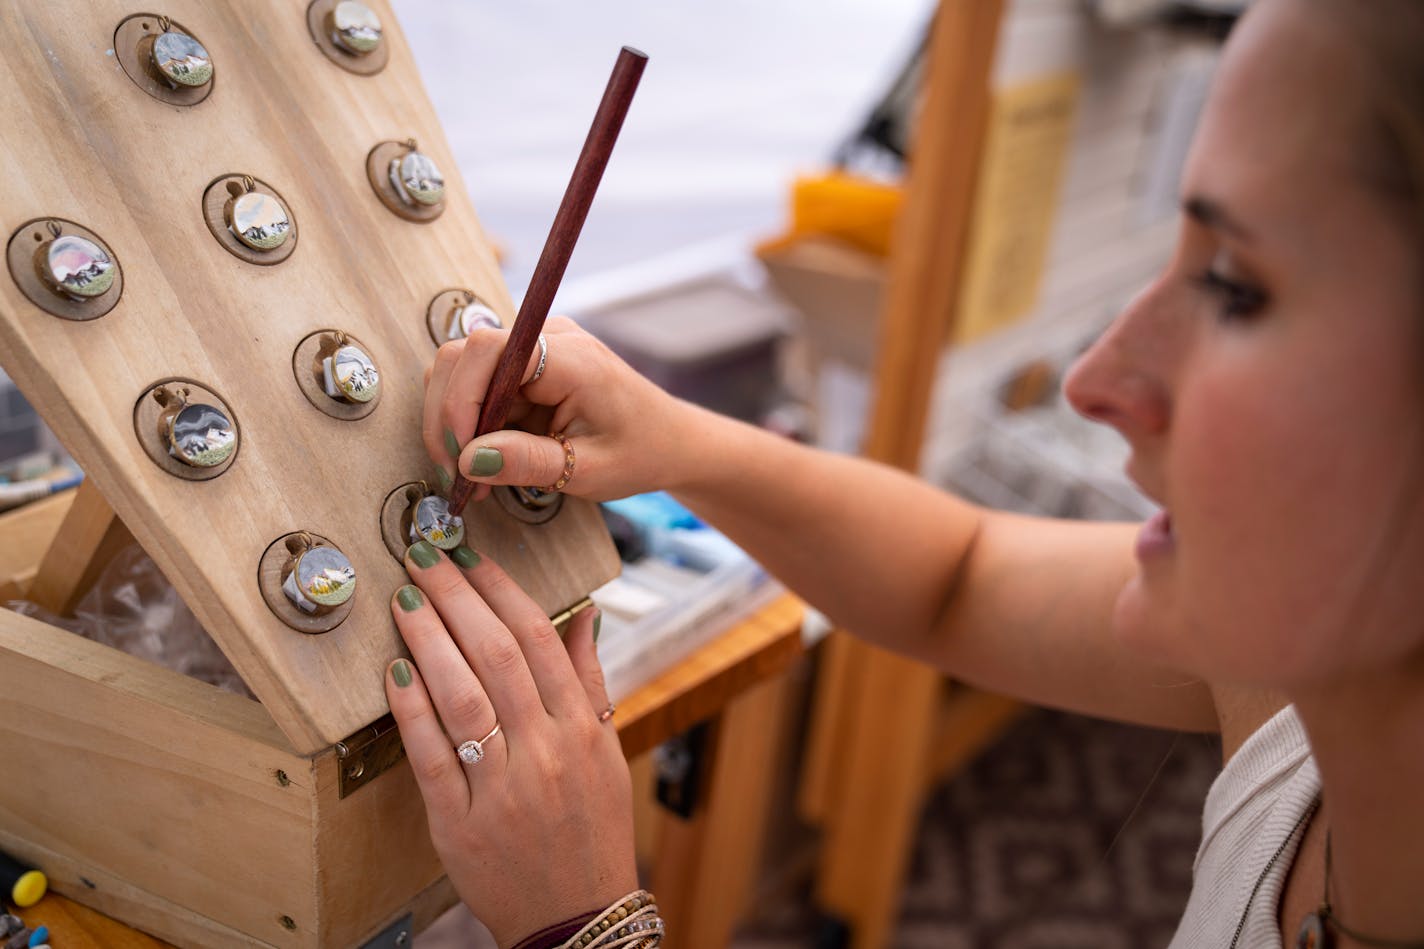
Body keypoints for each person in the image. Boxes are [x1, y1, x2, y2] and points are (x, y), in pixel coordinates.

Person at [381, 0, 1424, 945]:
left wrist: (583, 925)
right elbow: (957, 575)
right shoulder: (1299, 694)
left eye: (1234, 286)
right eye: (1172, 253)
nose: (1096, 379)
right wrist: (671, 435)